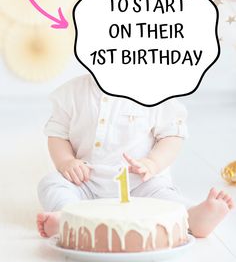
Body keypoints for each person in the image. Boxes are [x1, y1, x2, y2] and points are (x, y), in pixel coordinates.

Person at [37, 73, 234, 238]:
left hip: (140, 184)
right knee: (51, 183)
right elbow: (57, 134)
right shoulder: (73, 92)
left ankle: (191, 217)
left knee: (164, 198)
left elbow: (172, 135)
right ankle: (68, 216)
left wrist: (152, 163)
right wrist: (67, 161)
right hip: (85, 182)